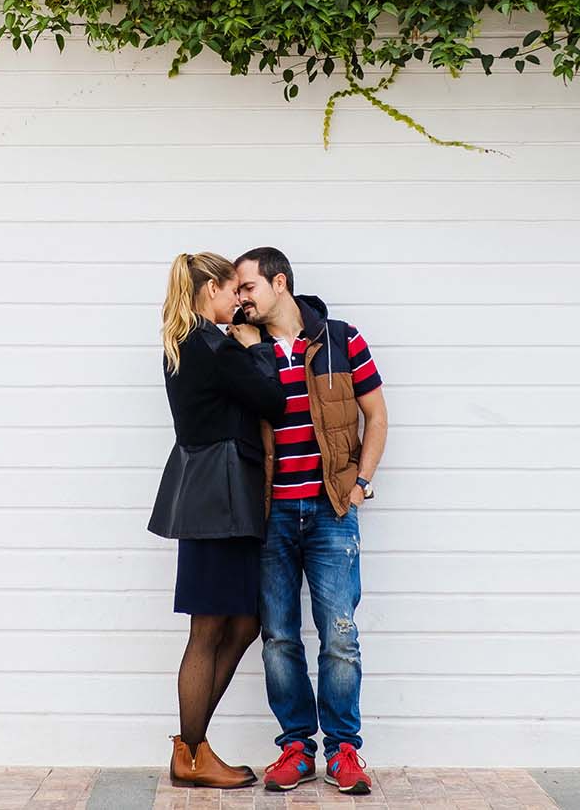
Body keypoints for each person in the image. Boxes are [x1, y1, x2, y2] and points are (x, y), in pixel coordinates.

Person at [234, 247, 388, 797]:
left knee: (340, 636)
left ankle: (345, 749)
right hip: (271, 515)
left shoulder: (342, 340)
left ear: (280, 283)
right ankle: (296, 747)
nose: (240, 298)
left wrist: (362, 480)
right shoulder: (244, 349)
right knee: (278, 638)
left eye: (247, 286)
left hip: (330, 511)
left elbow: (376, 414)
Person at [148, 252, 287, 789]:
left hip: (214, 492)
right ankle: (192, 751)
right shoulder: (214, 344)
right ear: (210, 290)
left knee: (242, 621)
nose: (240, 301)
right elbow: (272, 400)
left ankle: (193, 747)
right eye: (233, 290)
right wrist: (256, 349)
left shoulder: (190, 342)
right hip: (219, 496)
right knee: (208, 629)